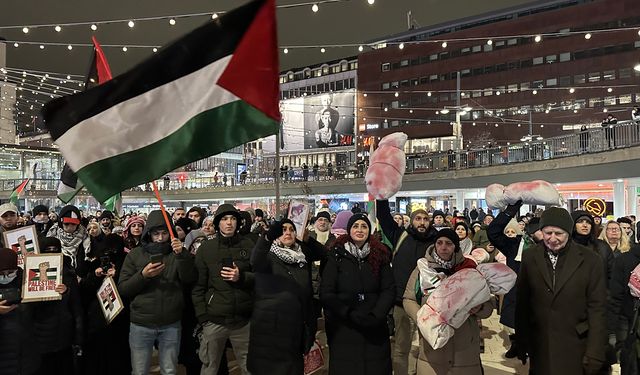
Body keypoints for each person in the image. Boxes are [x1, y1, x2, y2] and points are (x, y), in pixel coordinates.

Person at [516, 207, 607, 374]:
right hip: (541, 343)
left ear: (569, 232)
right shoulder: (530, 257)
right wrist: (521, 342)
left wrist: (595, 351)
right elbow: (523, 302)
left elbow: (597, 308)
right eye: (547, 233)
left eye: (558, 233)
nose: (552, 238)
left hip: (576, 343)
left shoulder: (591, 260)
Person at [403, 228, 493, 374]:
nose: (443, 247)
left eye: (449, 243)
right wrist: (423, 318)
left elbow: (488, 306)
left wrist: (480, 307)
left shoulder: (470, 270)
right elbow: (409, 299)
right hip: (432, 347)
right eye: (439, 243)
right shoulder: (422, 270)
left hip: (465, 347)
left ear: (455, 247)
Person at [118, 210, 195, 375]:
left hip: (171, 322)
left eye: (164, 233)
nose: (160, 238)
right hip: (141, 323)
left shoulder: (178, 253)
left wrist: (182, 255)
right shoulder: (135, 254)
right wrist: (143, 276)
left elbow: (189, 278)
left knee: (169, 369)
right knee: (140, 370)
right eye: (156, 233)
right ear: (149, 233)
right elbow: (123, 288)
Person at [248, 219, 326, 374]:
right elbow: (255, 260)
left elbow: (324, 254)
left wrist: (308, 239)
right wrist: (268, 237)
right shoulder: (269, 255)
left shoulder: (302, 253)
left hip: (300, 324)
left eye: (291, 229)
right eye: (283, 230)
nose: (288, 233)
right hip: (276, 327)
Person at [321, 214, 395, 374]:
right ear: (349, 230)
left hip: (374, 325)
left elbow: (388, 289)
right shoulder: (336, 254)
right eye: (356, 226)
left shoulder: (380, 255)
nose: (360, 230)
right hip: (344, 327)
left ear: (370, 230)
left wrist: (377, 315)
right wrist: (347, 312)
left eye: (364, 226)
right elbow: (327, 291)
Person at [192, 204, 255, 375]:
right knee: (209, 368)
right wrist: (203, 317)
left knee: (249, 368)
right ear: (218, 223)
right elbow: (198, 286)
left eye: (233, 219)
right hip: (214, 320)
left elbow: (259, 278)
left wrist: (240, 277)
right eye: (225, 219)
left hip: (243, 320)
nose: (229, 223)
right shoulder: (206, 249)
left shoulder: (249, 245)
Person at [376, 200, 438, 375]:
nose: (422, 222)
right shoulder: (400, 236)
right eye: (417, 218)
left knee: (430, 350)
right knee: (402, 348)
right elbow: (383, 216)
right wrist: (382, 195)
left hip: (429, 305)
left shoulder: (437, 241)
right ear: (411, 221)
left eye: (425, 219)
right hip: (401, 303)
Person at [487, 202, 541, 359]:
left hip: (537, 292)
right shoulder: (516, 244)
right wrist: (511, 210)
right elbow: (494, 232)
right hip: (516, 290)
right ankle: (516, 344)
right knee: (513, 320)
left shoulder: (549, 246)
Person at [79, 234, 131, 375]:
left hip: (119, 318)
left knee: (118, 356)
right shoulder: (95, 262)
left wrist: (118, 275)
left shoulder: (127, 262)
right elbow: (84, 289)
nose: (111, 253)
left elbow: (130, 288)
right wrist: (96, 275)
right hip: (97, 320)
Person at [33, 237, 84, 375]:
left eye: (54, 250)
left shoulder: (68, 272)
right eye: (47, 250)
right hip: (40, 334)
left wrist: (67, 292)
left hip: (63, 334)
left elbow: (76, 306)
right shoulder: (31, 272)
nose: (51, 253)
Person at [0, 247, 42, 375]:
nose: (6, 276)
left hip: (27, 355)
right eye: (1, 273)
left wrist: (63, 292)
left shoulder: (28, 283)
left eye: (10, 272)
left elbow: (45, 311)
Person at [608, 238, 640, 373]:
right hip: (630, 321)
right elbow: (616, 296)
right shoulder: (624, 260)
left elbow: (615, 296)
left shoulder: (623, 259)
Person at [571, 211, 614, 286]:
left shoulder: (602, 247)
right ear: (573, 224)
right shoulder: (566, 247)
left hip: (599, 293)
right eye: (580, 221)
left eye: (588, 222)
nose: (585, 225)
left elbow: (612, 274)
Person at [47, 205, 91, 272]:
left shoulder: (85, 235)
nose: (70, 227)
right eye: (66, 224)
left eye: (73, 224)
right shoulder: (53, 233)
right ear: (61, 223)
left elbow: (89, 257)